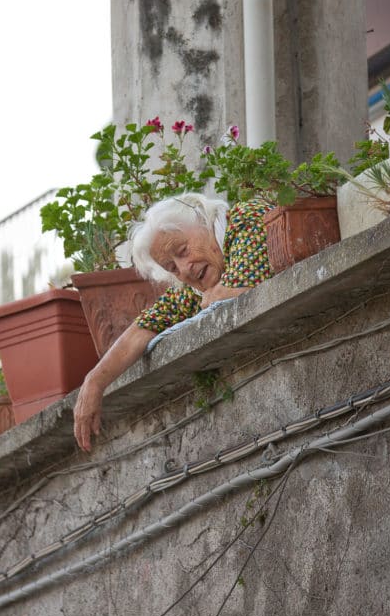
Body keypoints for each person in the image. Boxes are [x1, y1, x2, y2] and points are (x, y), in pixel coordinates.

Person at [73, 192, 274, 452]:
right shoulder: (195, 287)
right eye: (172, 268)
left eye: (183, 251)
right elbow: (144, 327)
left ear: (204, 221)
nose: (185, 269)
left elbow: (243, 286)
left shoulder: (245, 219)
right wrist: (94, 382)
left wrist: (218, 295)